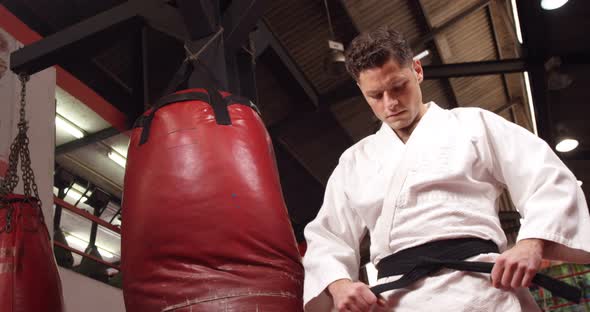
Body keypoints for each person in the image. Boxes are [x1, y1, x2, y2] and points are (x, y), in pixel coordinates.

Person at [302, 26, 590, 312]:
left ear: (417, 70)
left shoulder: (474, 125)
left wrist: (530, 243)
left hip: (482, 292)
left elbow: (547, 176)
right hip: (397, 301)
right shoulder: (354, 161)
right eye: (375, 95)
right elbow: (328, 236)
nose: (390, 103)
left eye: (398, 86)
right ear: (361, 91)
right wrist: (340, 285)